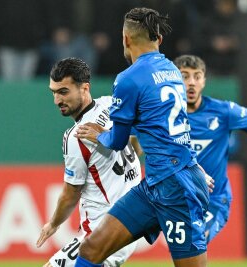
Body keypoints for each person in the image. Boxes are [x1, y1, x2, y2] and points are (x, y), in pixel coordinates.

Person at [74, 7, 211, 267]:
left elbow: (117, 141)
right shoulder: (171, 70)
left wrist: (101, 134)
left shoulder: (128, 79)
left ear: (125, 39)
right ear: (159, 39)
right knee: (92, 247)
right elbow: (155, 124)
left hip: (176, 186)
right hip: (156, 185)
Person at [173, 54, 247, 243]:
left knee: (194, 241)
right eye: (184, 76)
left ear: (204, 81)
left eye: (197, 76)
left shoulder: (222, 111)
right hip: (174, 197)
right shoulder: (164, 114)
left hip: (212, 200)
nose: (191, 83)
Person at [36, 57, 141, 267]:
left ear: (85, 88)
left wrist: (53, 224)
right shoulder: (111, 103)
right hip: (129, 222)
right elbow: (136, 137)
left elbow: (70, 193)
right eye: (53, 92)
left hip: (101, 232)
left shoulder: (77, 136)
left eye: (63, 92)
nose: (57, 100)